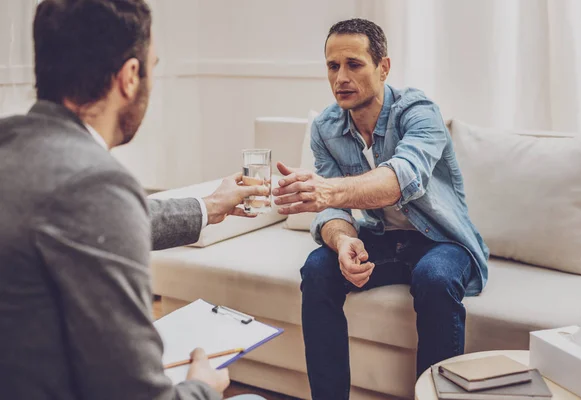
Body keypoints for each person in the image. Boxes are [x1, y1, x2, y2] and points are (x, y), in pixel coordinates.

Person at [0, 1, 267, 399]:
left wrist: (208, 206)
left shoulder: (13, 143)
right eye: (152, 66)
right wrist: (203, 386)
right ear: (129, 77)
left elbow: (87, 222)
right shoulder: (95, 184)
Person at [273, 18, 490, 399]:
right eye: (332, 66)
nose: (341, 77)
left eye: (353, 64)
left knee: (436, 278)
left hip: (441, 240)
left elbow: (398, 180)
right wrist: (341, 241)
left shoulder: (419, 112)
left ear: (383, 67)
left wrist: (327, 192)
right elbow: (332, 214)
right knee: (317, 268)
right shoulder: (326, 127)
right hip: (382, 239)